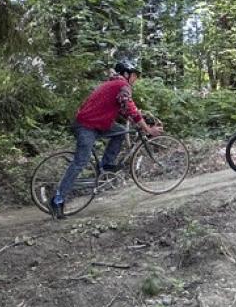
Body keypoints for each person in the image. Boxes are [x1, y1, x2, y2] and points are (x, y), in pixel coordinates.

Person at [49, 60, 164, 219]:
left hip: (98, 123)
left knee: (121, 132)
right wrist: (148, 129)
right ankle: (57, 199)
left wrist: (139, 118)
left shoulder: (112, 84)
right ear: (126, 74)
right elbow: (130, 107)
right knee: (80, 162)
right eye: (135, 76)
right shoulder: (122, 85)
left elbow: (123, 109)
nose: (136, 79)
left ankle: (106, 165)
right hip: (86, 126)